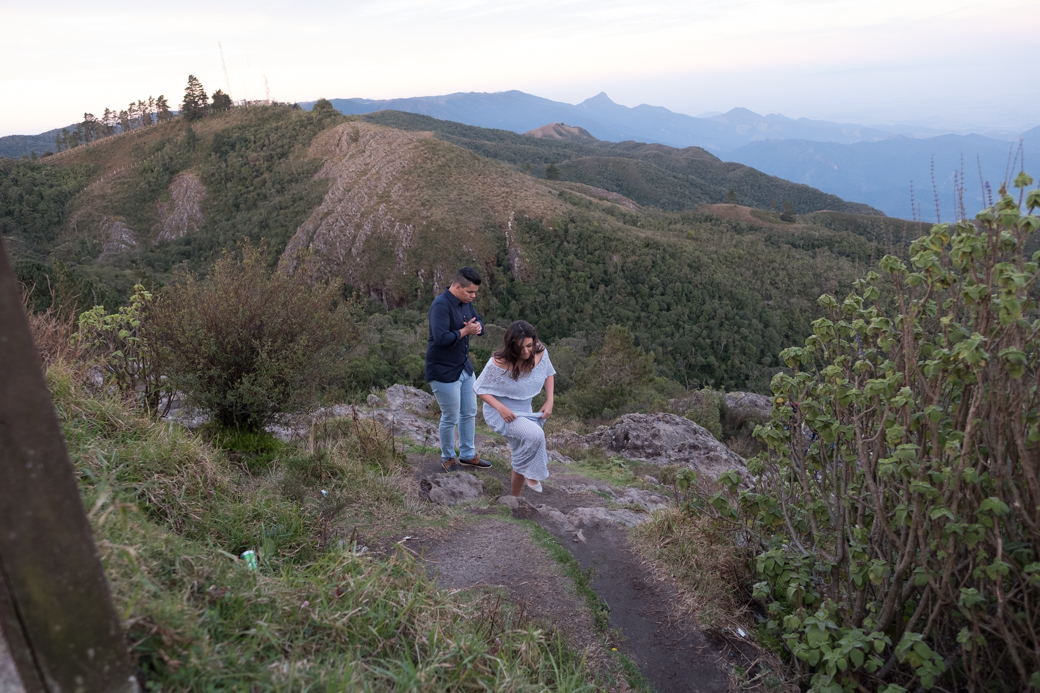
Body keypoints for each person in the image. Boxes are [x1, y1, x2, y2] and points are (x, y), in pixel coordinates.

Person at [473, 321, 555, 495]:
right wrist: (500, 408)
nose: (525, 351)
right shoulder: (498, 362)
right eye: (520, 347)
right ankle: (532, 473)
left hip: (525, 409)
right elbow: (478, 388)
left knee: (521, 452)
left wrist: (550, 401)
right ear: (511, 346)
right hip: (500, 412)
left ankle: (514, 499)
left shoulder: (540, 352)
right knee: (535, 435)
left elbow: (548, 373)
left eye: (529, 345)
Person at [426, 267, 491, 472]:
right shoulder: (440, 306)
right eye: (470, 292)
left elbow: (477, 318)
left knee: (469, 412)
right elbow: (441, 338)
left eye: (475, 293)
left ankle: (467, 455)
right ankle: (448, 457)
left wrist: (478, 327)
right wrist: (465, 331)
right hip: (443, 371)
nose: (473, 296)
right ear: (456, 287)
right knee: (450, 416)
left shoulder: (466, 303)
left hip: (464, 367)